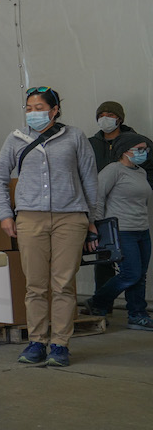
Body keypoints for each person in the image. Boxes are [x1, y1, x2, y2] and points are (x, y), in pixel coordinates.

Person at [0, 87, 98, 367]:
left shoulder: (75, 137)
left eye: (40, 107)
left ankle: (60, 344)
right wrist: (5, 214)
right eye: (29, 107)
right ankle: (36, 341)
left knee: (63, 284)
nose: (33, 113)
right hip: (30, 218)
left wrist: (92, 219)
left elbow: (90, 180)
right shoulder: (16, 139)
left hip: (71, 218)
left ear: (55, 110)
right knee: (35, 285)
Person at [81, 133, 153, 330]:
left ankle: (137, 314)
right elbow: (97, 197)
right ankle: (98, 302)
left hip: (142, 230)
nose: (143, 153)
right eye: (139, 149)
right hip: (122, 230)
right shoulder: (113, 170)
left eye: (144, 149)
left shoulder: (140, 172)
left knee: (140, 275)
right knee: (130, 273)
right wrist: (94, 225)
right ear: (125, 151)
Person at [88, 101, 152, 296]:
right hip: (111, 220)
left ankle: (136, 312)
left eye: (110, 114)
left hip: (136, 221)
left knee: (136, 273)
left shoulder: (138, 146)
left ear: (120, 118)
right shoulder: (91, 145)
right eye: (102, 114)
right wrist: (93, 221)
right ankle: (100, 305)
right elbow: (92, 187)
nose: (105, 118)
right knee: (110, 266)